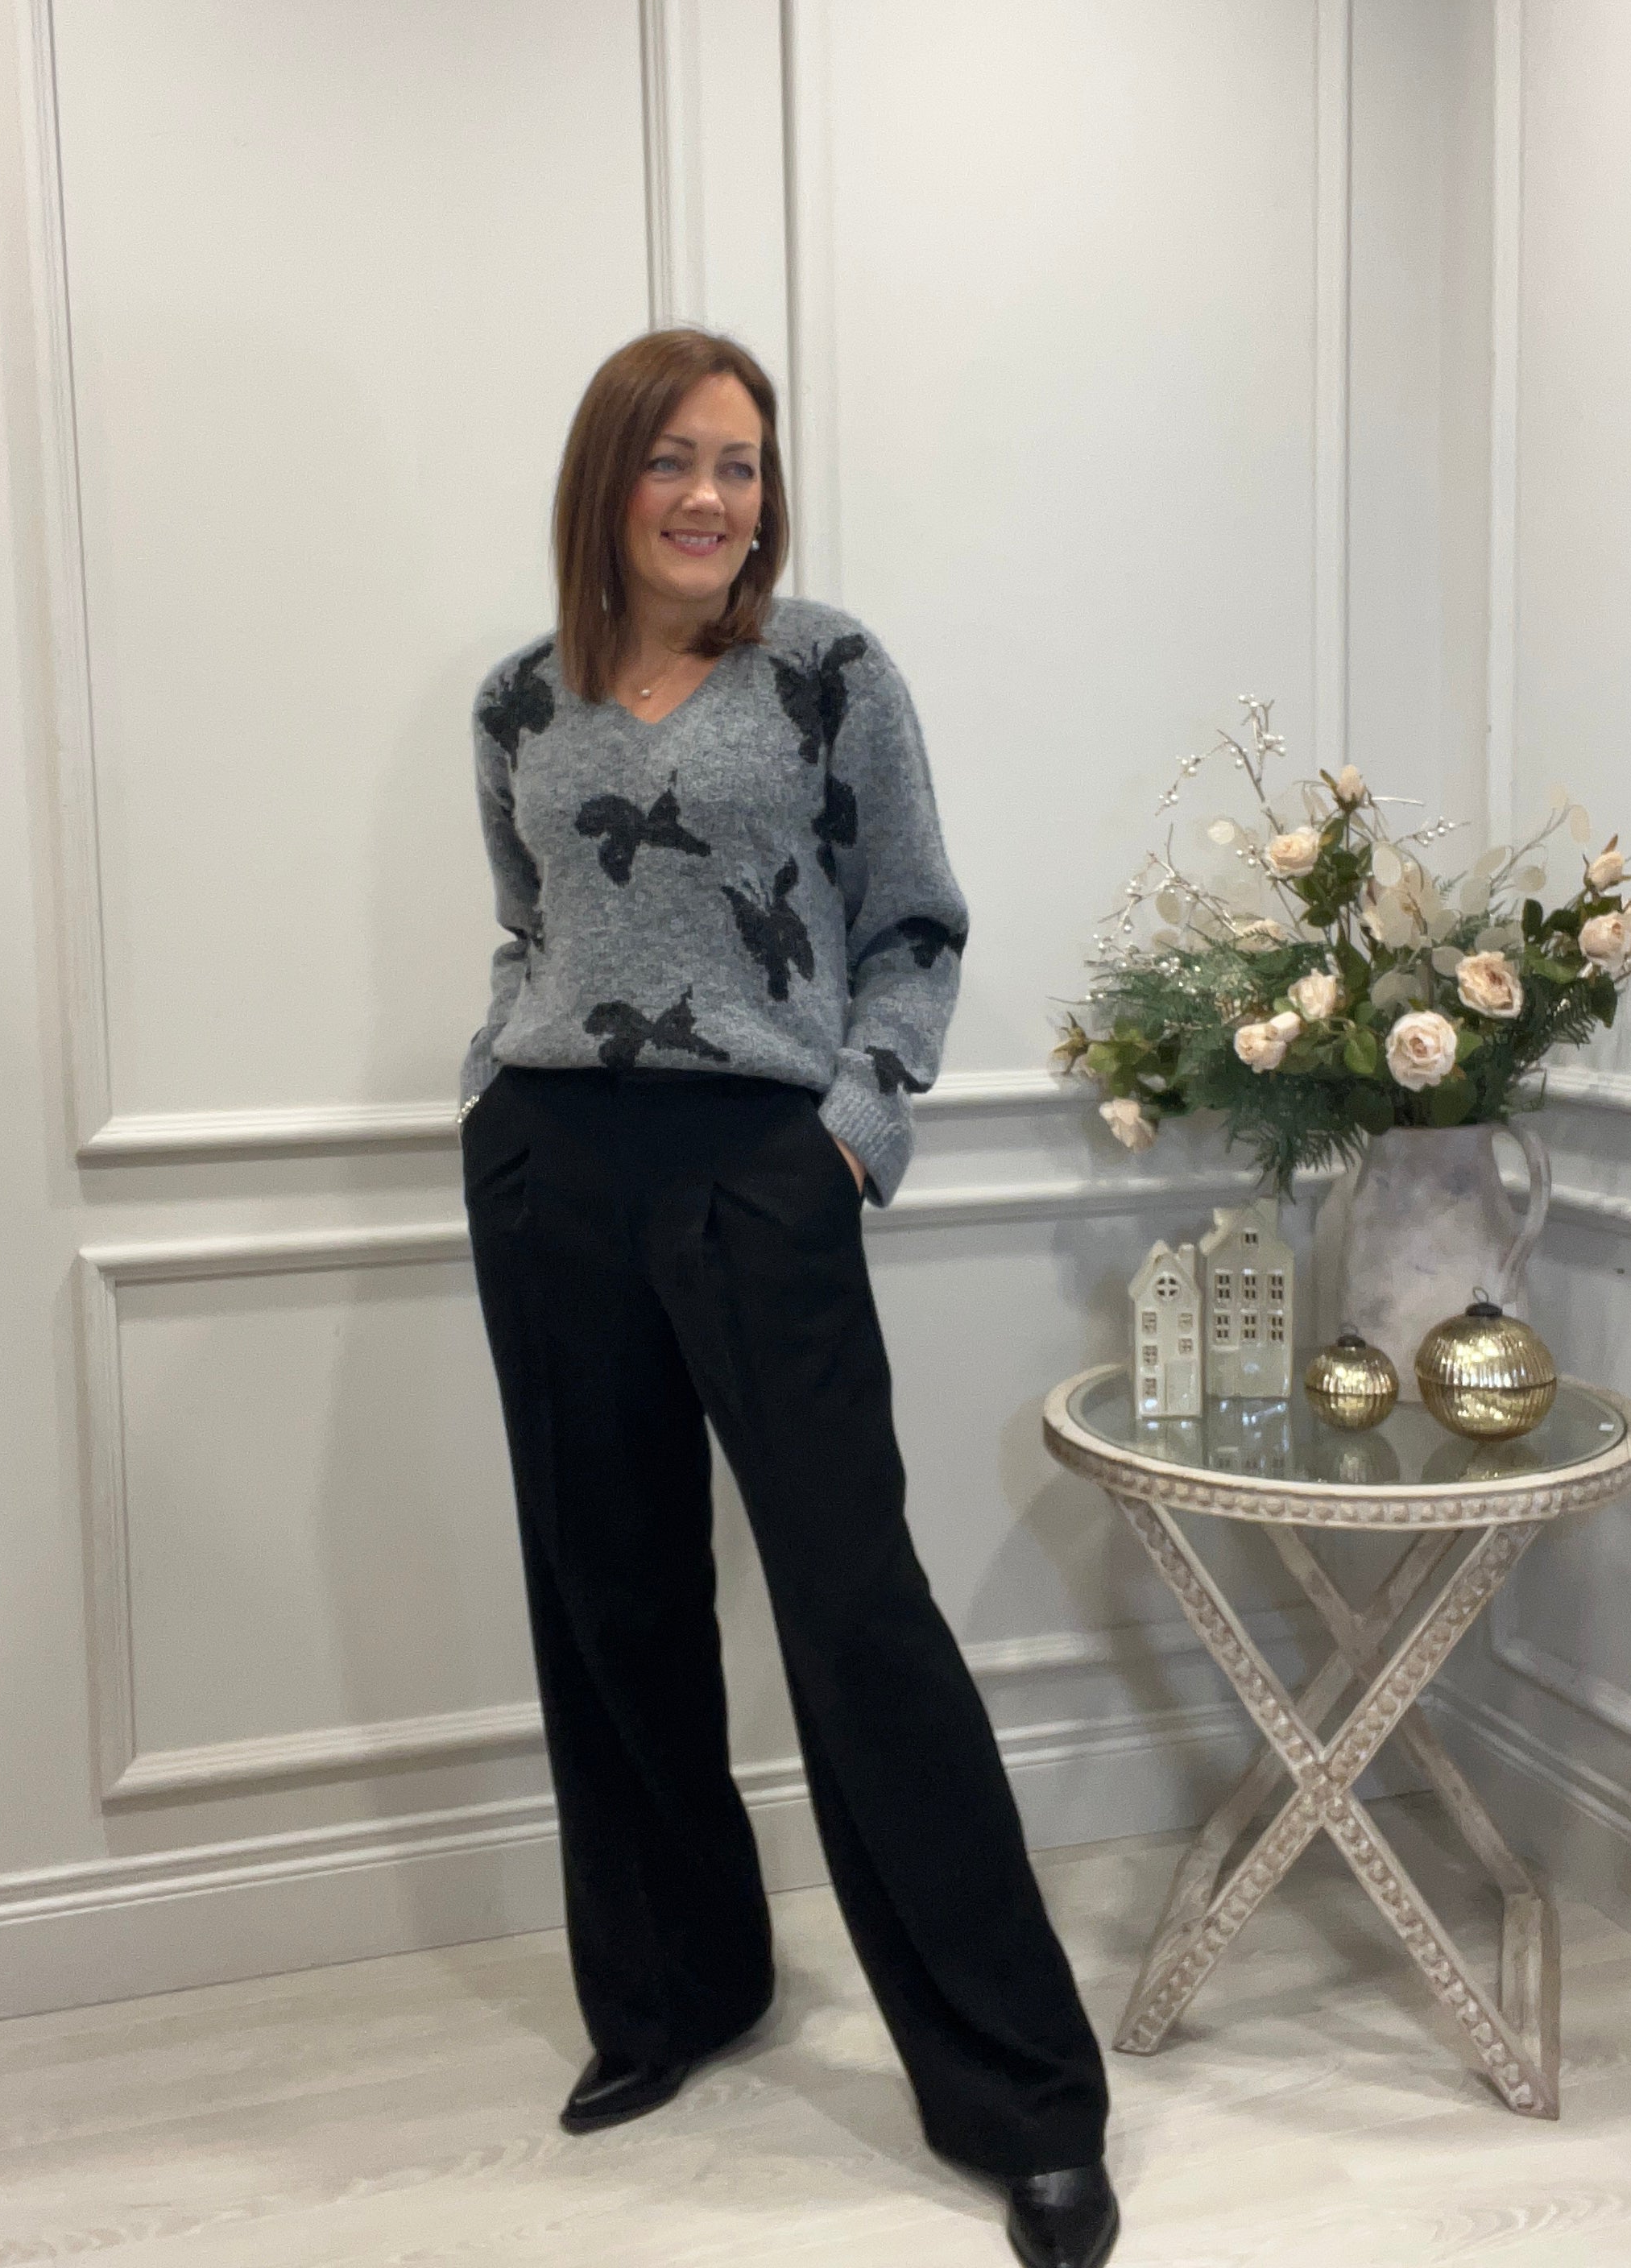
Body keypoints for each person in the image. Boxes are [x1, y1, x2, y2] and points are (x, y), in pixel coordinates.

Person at [458, 328, 1119, 2268]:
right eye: (673, 458)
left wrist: (849, 1132)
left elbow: (915, 921)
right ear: (608, 479)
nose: (710, 495)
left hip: (763, 1166)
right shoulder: (519, 697)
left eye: (740, 462)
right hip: (555, 1167)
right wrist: (495, 1092)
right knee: (610, 1594)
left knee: (857, 1613)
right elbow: (527, 922)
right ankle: (677, 1987)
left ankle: (1025, 2095)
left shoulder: (827, 669)